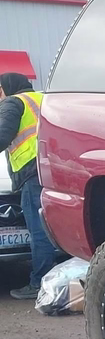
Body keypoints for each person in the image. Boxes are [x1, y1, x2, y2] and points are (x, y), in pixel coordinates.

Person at [0, 72, 54, 299]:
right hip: (55, 170)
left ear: (7, 87)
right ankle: (63, 280)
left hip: (32, 174)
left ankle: (39, 282)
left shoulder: (14, 102)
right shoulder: (46, 99)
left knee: (39, 231)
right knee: (55, 228)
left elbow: (2, 135)